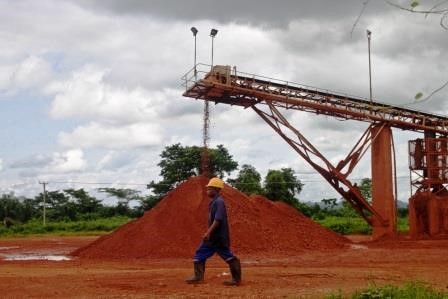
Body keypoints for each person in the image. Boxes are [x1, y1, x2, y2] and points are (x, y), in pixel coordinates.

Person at [185, 177, 242, 286]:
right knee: (200, 253)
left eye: (209, 189)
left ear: (216, 189)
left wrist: (208, 232)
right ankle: (198, 277)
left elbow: (218, 220)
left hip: (218, 237)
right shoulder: (214, 202)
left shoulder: (219, 202)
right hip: (213, 238)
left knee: (228, 256)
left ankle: (236, 279)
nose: (207, 191)